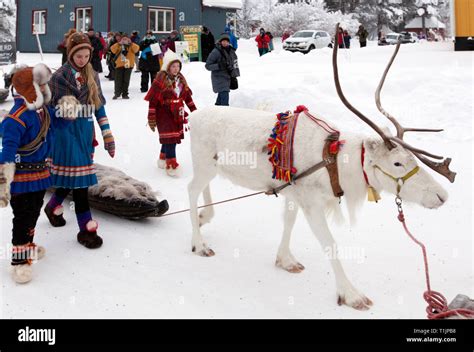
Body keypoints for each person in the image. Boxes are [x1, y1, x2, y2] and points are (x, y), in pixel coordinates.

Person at [44, 32, 115, 249]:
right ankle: (86, 228)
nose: (83, 60)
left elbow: (98, 106)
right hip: (65, 135)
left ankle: (53, 206)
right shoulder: (59, 78)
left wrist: (107, 133)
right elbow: (48, 110)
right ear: (70, 54)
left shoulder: (91, 74)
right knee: (81, 181)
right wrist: (63, 111)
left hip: (85, 133)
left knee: (72, 178)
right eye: (79, 56)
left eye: (86, 56)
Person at [0, 63, 57, 283]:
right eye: (40, 86)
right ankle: (18, 262)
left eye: (44, 85)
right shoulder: (16, 119)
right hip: (22, 179)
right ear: (30, 89)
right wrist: (4, 183)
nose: (44, 89)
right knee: (22, 217)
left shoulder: (42, 111)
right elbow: (7, 153)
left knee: (33, 213)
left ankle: (28, 247)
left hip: (40, 174)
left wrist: (69, 112)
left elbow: (57, 126)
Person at [145, 50, 197, 177]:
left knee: (170, 137)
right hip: (163, 113)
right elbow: (152, 100)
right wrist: (151, 116)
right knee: (171, 139)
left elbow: (187, 98)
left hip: (177, 113)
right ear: (168, 67)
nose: (176, 69)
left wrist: (194, 112)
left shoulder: (181, 79)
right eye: (173, 66)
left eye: (178, 66)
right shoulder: (160, 79)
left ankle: (163, 157)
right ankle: (171, 164)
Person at [205, 33, 240, 106]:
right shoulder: (216, 52)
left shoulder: (231, 51)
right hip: (219, 78)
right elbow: (207, 66)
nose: (225, 42)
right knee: (224, 97)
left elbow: (234, 63)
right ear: (220, 42)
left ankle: (216, 111)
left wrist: (234, 75)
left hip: (228, 77)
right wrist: (219, 65)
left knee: (221, 97)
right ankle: (225, 114)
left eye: (226, 41)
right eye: (223, 41)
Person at [110, 34, 140, 99]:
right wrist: (118, 43)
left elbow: (136, 49)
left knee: (126, 80)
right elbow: (112, 50)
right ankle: (117, 93)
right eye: (123, 39)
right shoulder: (119, 45)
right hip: (119, 65)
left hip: (128, 65)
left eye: (126, 39)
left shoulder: (131, 46)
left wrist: (131, 43)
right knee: (118, 80)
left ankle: (125, 94)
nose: (124, 40)